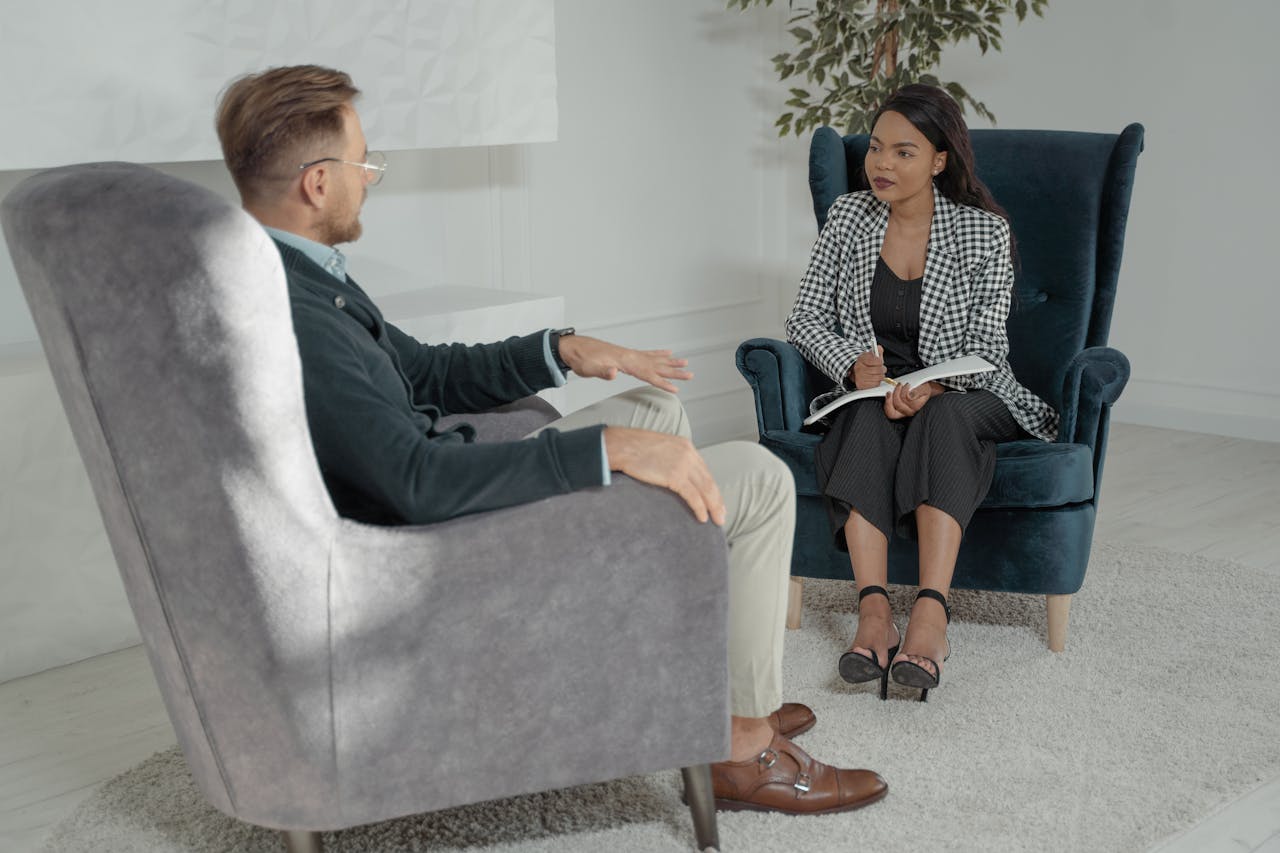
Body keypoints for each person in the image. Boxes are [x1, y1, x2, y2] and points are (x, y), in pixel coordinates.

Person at [215, 64, 886, 813]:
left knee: (653, 413)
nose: (370, 179)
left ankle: (706, 689)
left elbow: (423, 369)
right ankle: (740, 743)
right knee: (758, 478)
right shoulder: (297, 315)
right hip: (443, 547)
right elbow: (416, 482)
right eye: (364, 163)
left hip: (449, 494)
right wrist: (607, 451)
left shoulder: (294, 274)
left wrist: (560, 350)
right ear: (316, 183)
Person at [786, 84, 1058, 701]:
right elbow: (804, 318)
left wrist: (932, 384)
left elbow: (990, 349)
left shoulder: (982, 232)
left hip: (969, 389)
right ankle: (875, 616)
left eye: (904, 152)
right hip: (874, 392)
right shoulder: (850, 218)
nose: (881, 164)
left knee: (945, 420)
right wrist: (851, 367)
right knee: (860, 424)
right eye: (876, 148)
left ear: (939, 160)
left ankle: (931, 619)